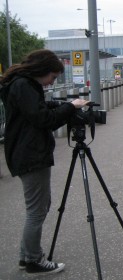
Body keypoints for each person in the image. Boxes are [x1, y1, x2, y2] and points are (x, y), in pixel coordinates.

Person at [0, 49, 90, 275]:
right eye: (53, 76)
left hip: (26, 153)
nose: (53, 82)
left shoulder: (22, 84)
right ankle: (33, 261)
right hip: (30, 155)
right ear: (42, 70)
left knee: (39, 207)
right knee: (37, 210)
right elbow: (43, 120)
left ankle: (26, 256)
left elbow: (35, 110)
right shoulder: (24, 86)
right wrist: (70, 107)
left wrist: (65, 104)